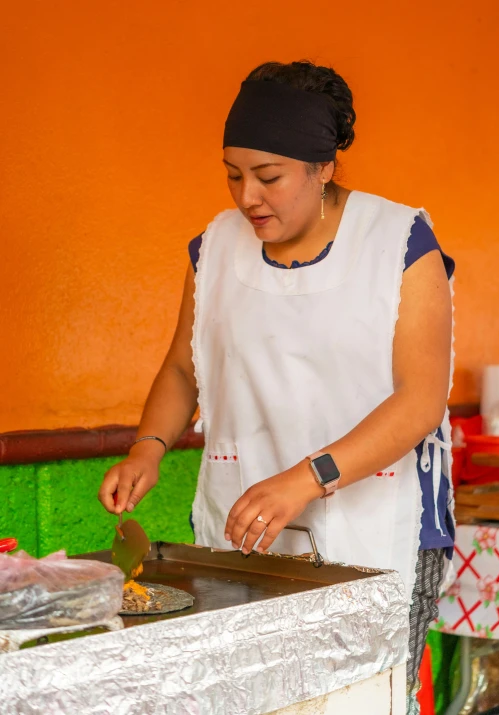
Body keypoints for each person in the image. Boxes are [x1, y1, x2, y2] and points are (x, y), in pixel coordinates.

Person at [98, 60, 455, 712]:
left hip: (376, 524)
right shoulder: (215, 248)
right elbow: (184, 366)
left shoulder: (400, 243)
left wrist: (305, 478)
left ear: (323, 167)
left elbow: (419, 401)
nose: (246, 198)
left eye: (268, 177)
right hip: (248, 533)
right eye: (233, 174)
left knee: (359, 699)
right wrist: (148, 446)